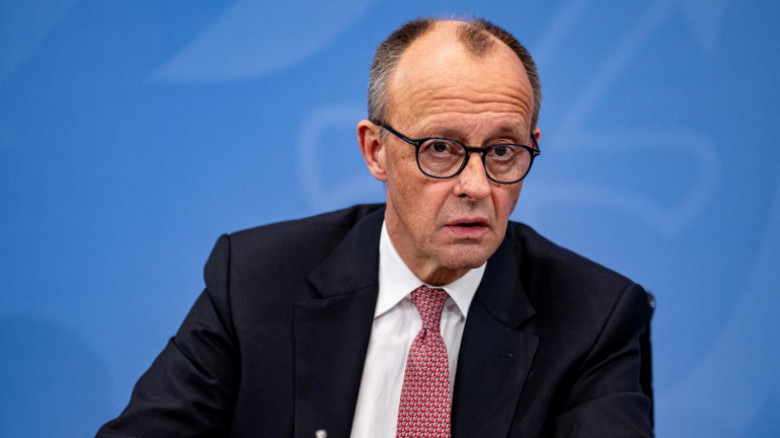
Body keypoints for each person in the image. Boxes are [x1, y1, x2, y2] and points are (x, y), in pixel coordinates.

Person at [97, 17, 653, 438]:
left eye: (503, 151)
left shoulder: (593, 317)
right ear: (375, 151)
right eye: (441, 148)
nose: (477, 186)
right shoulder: (256, 281)